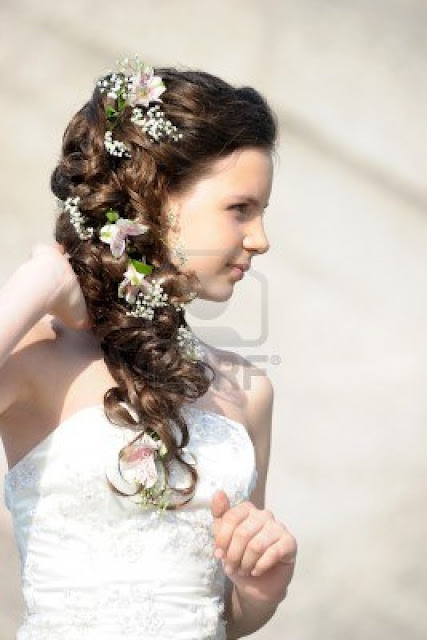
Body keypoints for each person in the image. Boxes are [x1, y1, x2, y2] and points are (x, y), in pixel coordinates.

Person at [0, 56, 297, 639]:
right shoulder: (33, 360)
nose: (260, 240)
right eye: (241, 209)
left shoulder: (248, 391)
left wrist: (262, 591)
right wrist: (38, 286)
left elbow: (219, 617)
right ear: (155, 196)